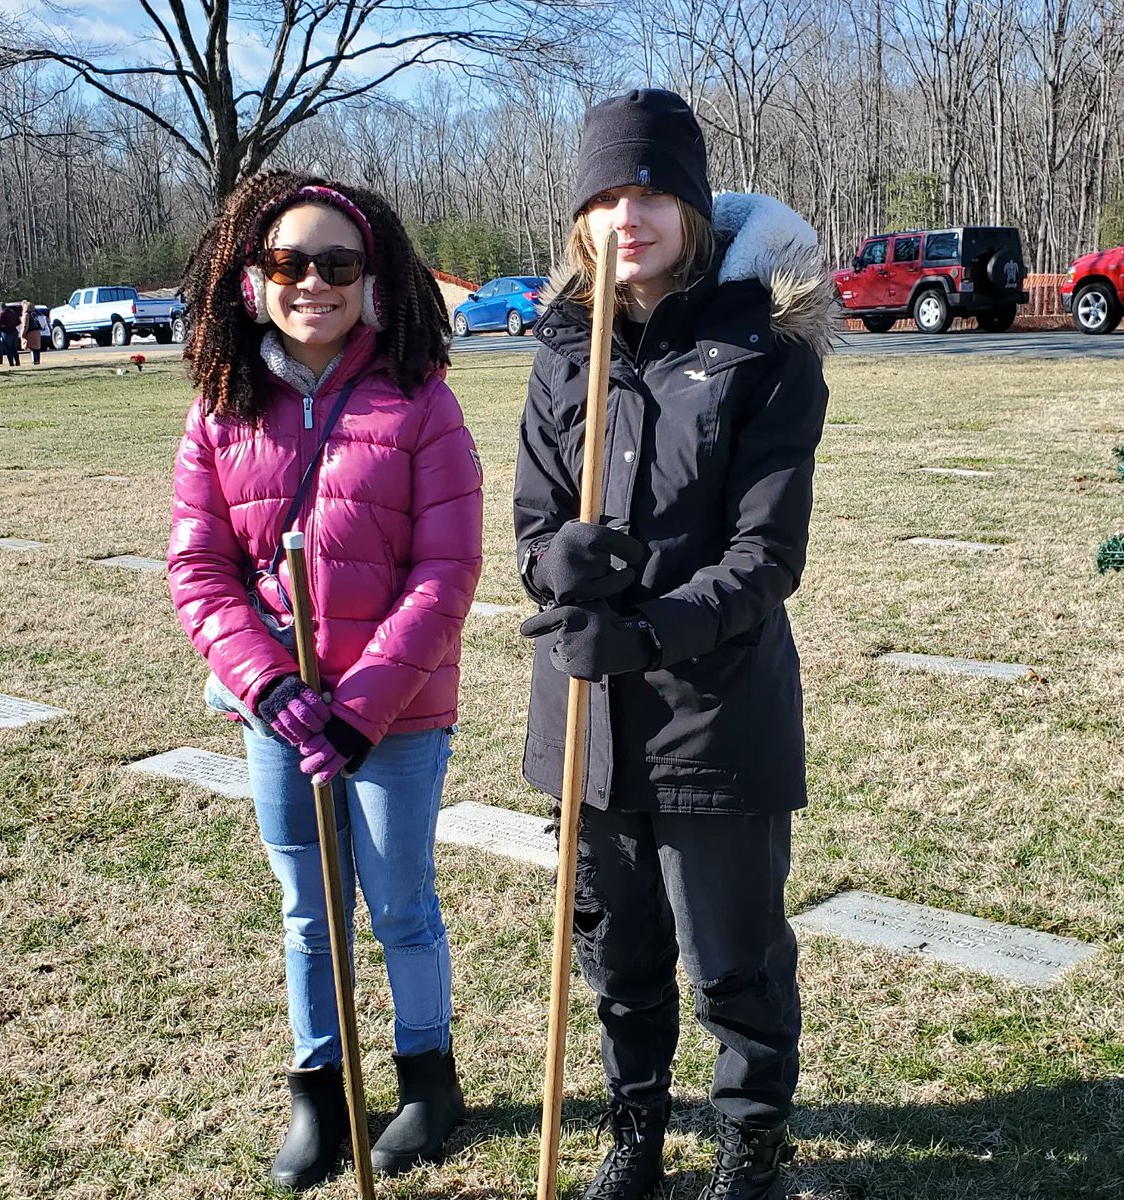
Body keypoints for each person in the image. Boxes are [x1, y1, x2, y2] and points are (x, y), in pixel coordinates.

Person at [514, 90, 833, 1200]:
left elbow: (766, 555)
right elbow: (532, 522)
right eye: (603, 194)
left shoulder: (765, 349)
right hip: (585, 720)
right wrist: (561, 567)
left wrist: (646, 631)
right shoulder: (562, 346)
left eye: (649, 189)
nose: (626, 213)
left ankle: (751, 1140)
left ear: (692, 203)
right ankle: (633, 1131)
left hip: (714, 708)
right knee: (619, 950)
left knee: (731, 956)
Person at [168, 171, 482, 1192]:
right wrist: (270, 688)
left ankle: (428, 1082)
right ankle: (320, 1089)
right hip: (280, 717)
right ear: (252, 279)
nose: (314, 282)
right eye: (290, 263)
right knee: (309, 912)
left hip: (395, 718)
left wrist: (360, 712)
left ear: (373, 276)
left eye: (338, 264)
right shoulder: (221, 409)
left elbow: (448, 572)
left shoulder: (421, 396)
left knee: (400, 909)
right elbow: (198, 569)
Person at [0, 301, 21, 366]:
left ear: (0, 307)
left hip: (6, 332)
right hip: (14, 332)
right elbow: (19, 322)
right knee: (14, 348)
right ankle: (17, 362)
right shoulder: (13, 312)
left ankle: (11, 363)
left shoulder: (2, 313)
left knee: (8, 349)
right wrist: (13, 325)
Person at [20, 300, 43, 365]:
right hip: (37, 332)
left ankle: (34, 361)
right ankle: (38, 361)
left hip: (30, 333)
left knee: (32, 348)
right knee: (37, 348)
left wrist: (23, 334)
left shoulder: (26, 315)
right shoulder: (34, 314)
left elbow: (25, 325)